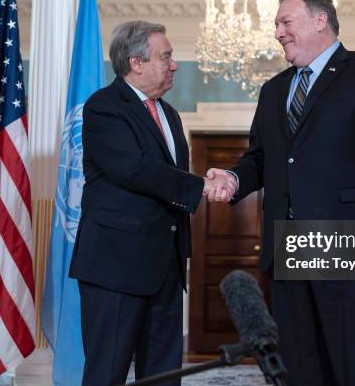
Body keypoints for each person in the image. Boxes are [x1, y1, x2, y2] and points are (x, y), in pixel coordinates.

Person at [207, 0, 355, 386]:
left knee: (354, 366)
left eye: (285, 22)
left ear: (320, 20)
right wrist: (233, 177)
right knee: (298, 369)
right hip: (287, 252)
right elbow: (261, 159)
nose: (277, 32)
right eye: (276, 25)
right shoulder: (273, 90)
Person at [69, 20, 233, 385]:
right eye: (167, 56)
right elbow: (133, 169)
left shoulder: (170, 115)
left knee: (163, 375)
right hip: (115, 267)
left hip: (165, 268)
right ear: (135, 62)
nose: (174, 65)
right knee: (106, 373)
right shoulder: (105, 106)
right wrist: (201, 186)